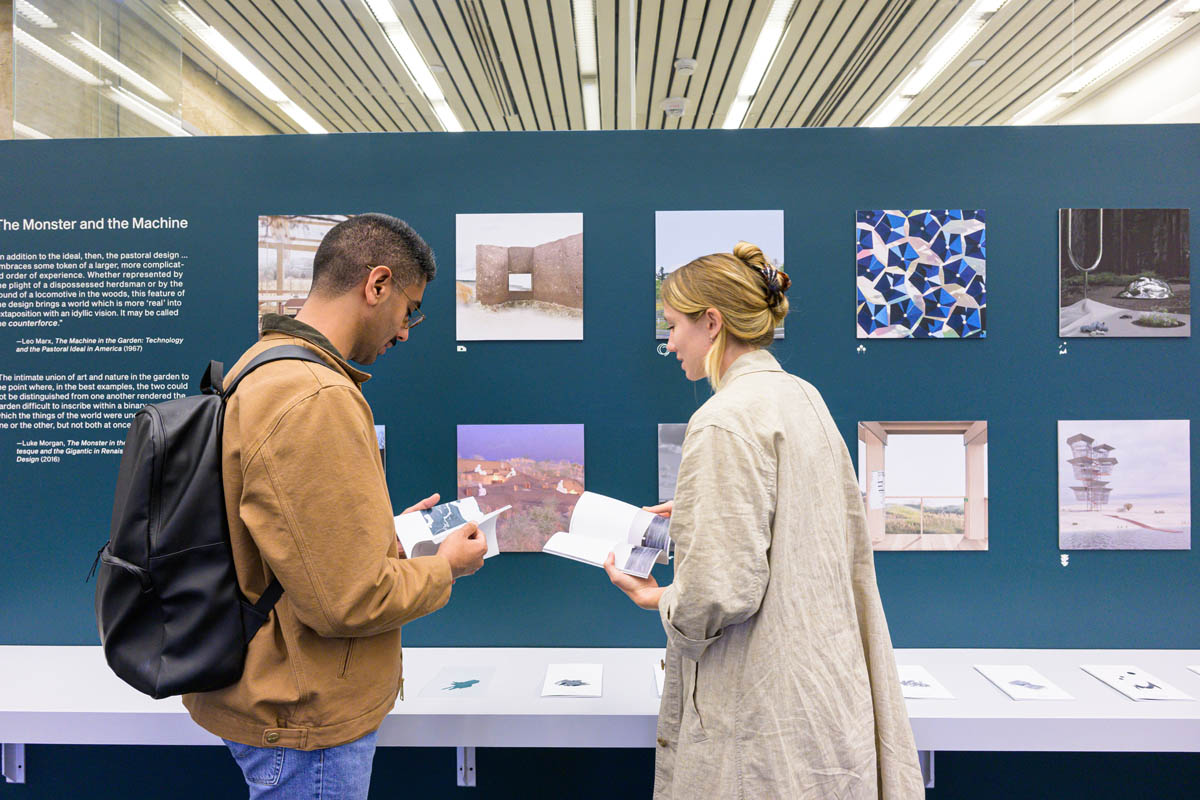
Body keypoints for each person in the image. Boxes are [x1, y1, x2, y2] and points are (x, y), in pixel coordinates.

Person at [183, 213, 488, 799]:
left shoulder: (263, 364)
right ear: (377, 285)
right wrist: (445, 565)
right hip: (306, 714)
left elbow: (286, 541)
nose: (405, 332)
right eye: (409, 310)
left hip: (276, 689)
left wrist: (385, 535)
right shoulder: (316, 396)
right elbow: (348, 602)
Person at [605, 242, 924, 798]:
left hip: (763, 717)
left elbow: (717, 593)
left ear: (712, 322)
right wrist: (705, 511)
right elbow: (809, 516)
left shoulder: (722, 420)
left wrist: (656, 597)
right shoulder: (804, 397)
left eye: (675, 325)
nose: (670, 341)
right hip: (824, 699)